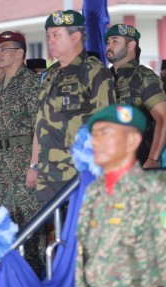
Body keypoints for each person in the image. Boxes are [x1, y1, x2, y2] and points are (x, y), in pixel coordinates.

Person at [75, 104, 166, 287]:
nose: (95, 142)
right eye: (94, 135)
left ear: (132, 140)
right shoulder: (93, 192)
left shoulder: (156, 190)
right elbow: (83, 257)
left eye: (105, 133)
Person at [34, 9, 115, 204]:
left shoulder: (94, 72)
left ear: (76, 37)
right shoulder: (51, 74)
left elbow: (107, 126)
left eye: (56, 35)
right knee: (54, 231)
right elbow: (40, 120)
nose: (50, 41)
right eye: (48, 36)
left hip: (79, 175)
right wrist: (34, 164)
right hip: (48, 174)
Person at [0, 31, 45, 276]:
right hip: (2, 167)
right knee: (6, 224)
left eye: (4, 49)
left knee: (29, 227)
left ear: (20, 53)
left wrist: (34, 166)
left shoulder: (30, 83)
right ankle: (11, 280)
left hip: (23, 164)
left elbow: (40, 127)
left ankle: (33, 281)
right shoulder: (0, 86)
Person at [105, 24, 166, 169]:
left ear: (131, 45)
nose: (109, 45)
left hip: (139, 164)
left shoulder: (143, 75)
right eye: (107, 42)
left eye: (115, 41)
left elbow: (163, 118)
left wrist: (152, 159)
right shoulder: (103, 78)